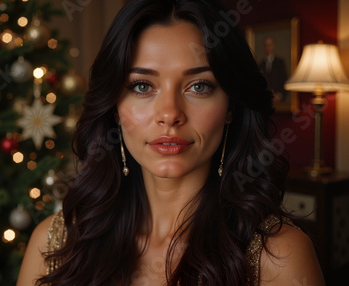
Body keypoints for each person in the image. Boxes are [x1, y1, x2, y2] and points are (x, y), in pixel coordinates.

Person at [17, 0, 325, 285]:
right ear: (113, 107)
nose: (169, 114)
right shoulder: (55, 243)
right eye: (142, 86)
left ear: (230, 106)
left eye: (199, 86)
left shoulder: (281, 258)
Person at [259, 37, 289, 102]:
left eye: (269, 45)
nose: (267, 48)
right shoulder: (261, 64)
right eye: (265, 45)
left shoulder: (280, 62)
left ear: (273, 46)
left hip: (278, 100)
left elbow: (284, 81)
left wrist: (279, 96)